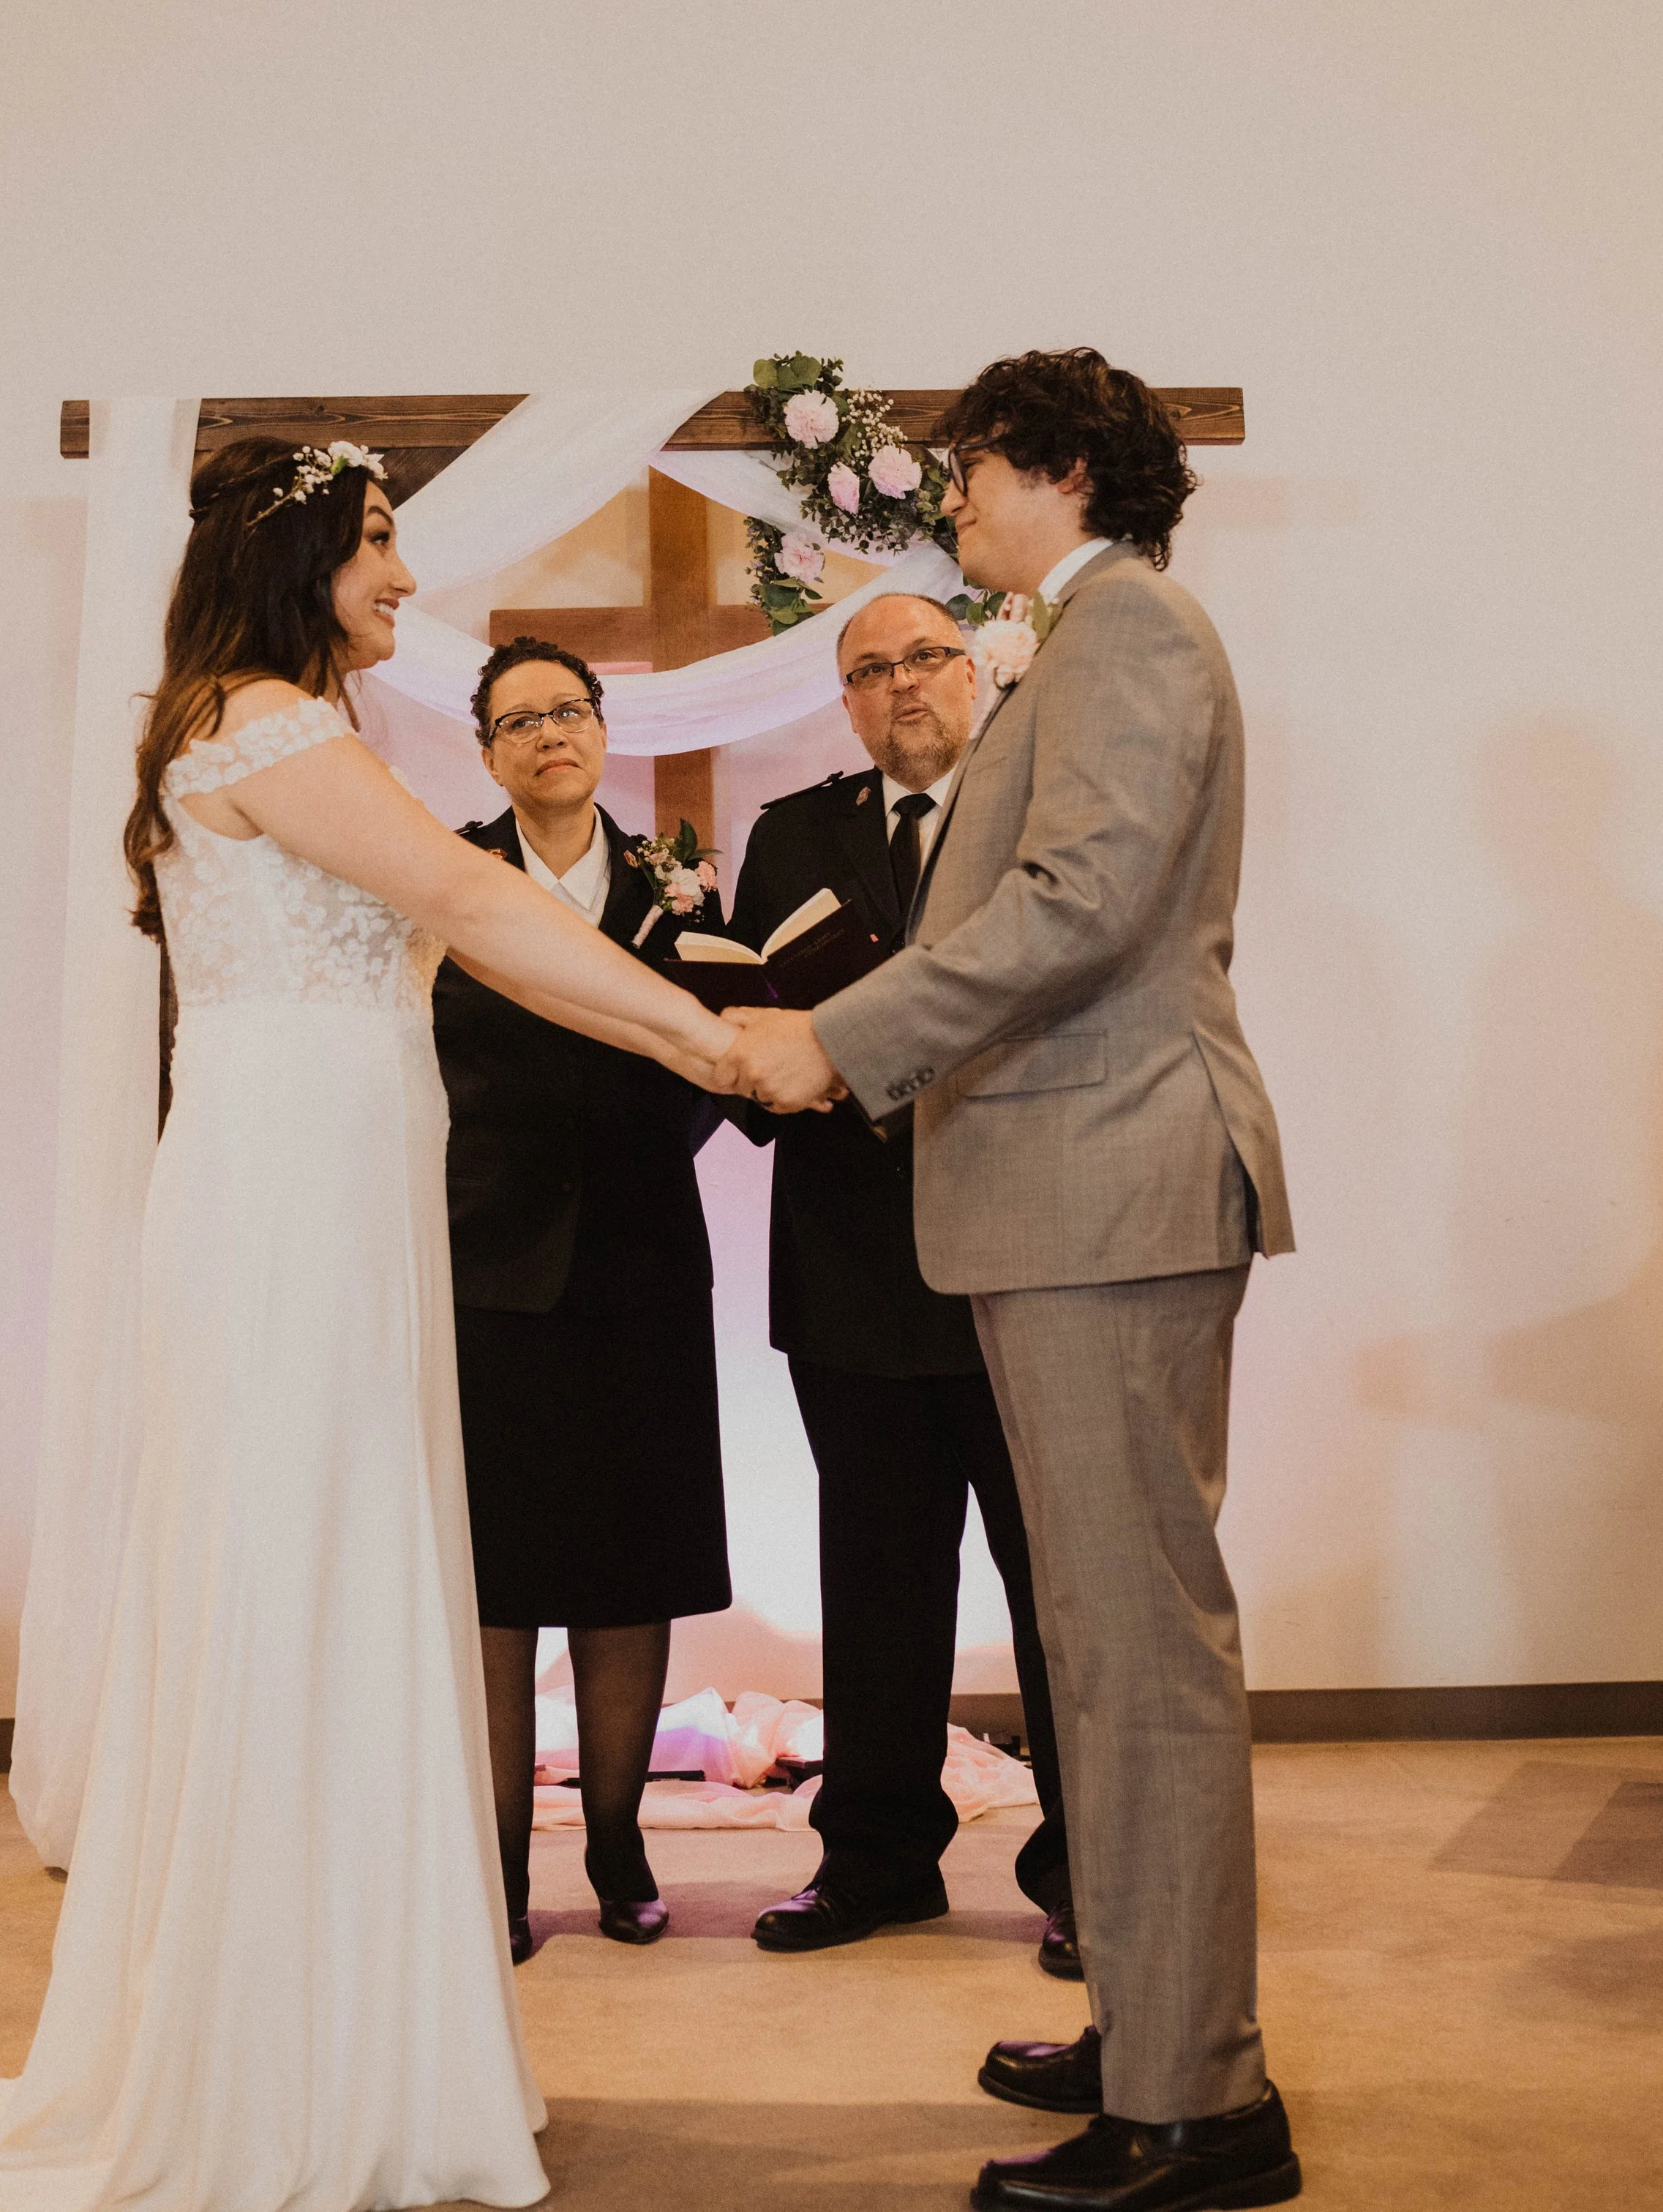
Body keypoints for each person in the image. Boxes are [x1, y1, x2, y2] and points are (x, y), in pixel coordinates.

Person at [0, 438, 732, 2212]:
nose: (405, 574)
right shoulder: (265, 725)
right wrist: (713, 1039)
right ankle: (280, 2064)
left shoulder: (272, 725)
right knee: (300, 1563)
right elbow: (478, 911)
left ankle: (361, 2039)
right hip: (289, 1196)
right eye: (382, 542)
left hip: (331, 1175)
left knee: (345, 1560)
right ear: (299, 549)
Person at [721, 351, 1301, 2212]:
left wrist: (839, 1039)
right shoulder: (1081, 634)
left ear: (1054, 466)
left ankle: (1198, 2110)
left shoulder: (1126, 628)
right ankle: (1148, 2026)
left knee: (1134, 1664)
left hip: (1107, 1189)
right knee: (1105, 1653)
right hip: (1069, 1195)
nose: (950, 503)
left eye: (967, 470)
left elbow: (1081, 902)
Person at [729, 590, 1080, 1978]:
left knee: (1060, 1588)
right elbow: (761, 1025)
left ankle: (1089, 1872)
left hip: (1021, 1261)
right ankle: (874, 1860)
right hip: (855, 1271)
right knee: (873, 1587)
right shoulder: (793, 832)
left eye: (924, 657)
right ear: (847, 701)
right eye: (868, 671)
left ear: (976, 671)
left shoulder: (1042, 811)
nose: (900, 687)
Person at [432, 636, 733, 1962]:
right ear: (488, 752)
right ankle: (496, 1865)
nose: (549, 733)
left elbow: (717, 1050)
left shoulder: (683, 879)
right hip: (487, 1267)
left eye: (569, 708)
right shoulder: (445, 875)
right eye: (519, 720)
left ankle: (618, 1838)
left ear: (603, 728)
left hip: (643, 1261)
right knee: (497, 1580)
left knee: (629, 1567)